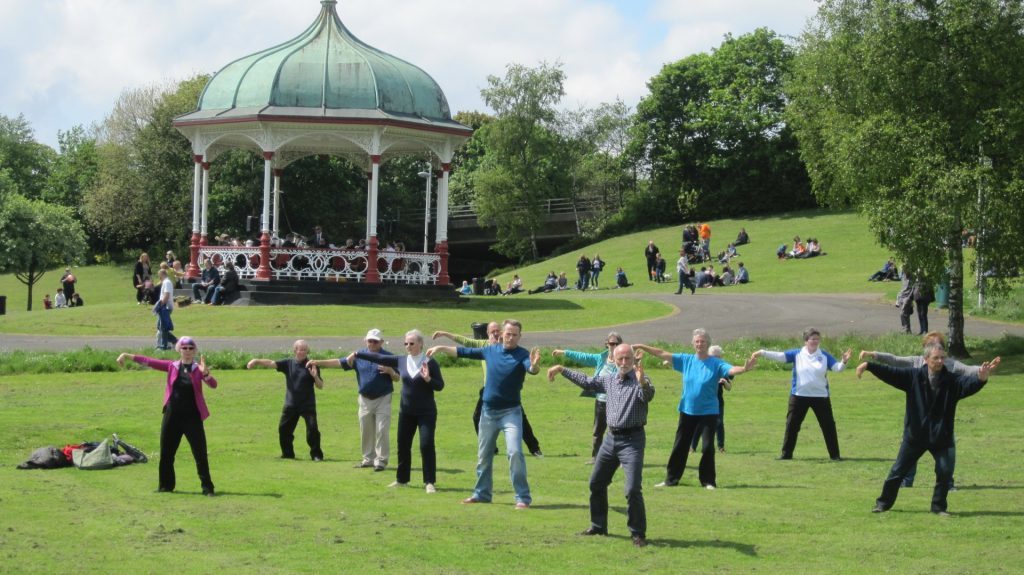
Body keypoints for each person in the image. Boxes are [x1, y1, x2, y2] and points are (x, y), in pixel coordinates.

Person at [856, 345, 999, 515]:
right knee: (897, 472)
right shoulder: (913, 376)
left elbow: (967, 385)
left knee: (945, 472)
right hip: (915, 436)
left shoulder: (951, 381)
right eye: (936, 358)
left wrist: (981, 379)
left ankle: (938, 507)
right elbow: (891, 372)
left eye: (942, 358)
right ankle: (883, 504)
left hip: (941, 437)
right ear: (926, 359)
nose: (940, 361)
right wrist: (869, 366)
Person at [548, 343, 654, 548]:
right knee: (596, 483)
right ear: (614, 360)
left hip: (632, 441)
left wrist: (642, 382)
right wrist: (562, 369)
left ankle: (638, 533)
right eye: (620, 358)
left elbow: (647, 395)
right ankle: (598, 526)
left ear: (634, 359)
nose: (624, 362)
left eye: (628, 358)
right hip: (610, 439)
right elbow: (587, 382)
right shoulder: (609, 379)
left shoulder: (641, 379)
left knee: (632, 489)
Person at [427, 319, 541, 508]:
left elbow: (532, 368)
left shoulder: (522, 355)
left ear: (519, 336)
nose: (510, 337)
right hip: (488, 413)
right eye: (508, 334)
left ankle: (522, 497)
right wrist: (441, 348)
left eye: (514, 335)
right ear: (502, 334)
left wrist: (535, 366)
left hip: (511, 413)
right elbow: (464, 351)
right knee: (483, 456)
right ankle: (482, 494)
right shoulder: (490, 350)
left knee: (514, 452)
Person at [635, 329, 757, 489]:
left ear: (708, 344)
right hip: (687, 410)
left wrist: (744, 368)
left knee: (707, 447)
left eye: (703, 341)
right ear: (693, 344)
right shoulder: (686, 360)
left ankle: (708, 481)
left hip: (708, 412)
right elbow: (661, 353)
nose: (700, 344)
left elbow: (731, 369)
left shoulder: (716, 363)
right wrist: (642, 346)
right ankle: (671, 480)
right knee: (680, 445)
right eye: (697, 341)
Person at [116, 336, 217, 496]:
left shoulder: (199, 369)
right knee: (166, 453)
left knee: (200, 453)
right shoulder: (172, 366)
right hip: (172, 415)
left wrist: (206, 375)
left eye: (191, 348)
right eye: (184, 348)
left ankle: (208, 488)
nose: (188, 351)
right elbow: (149, 361)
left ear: (194, 351)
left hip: (192, 417)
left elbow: (214, 385)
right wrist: (126, 355)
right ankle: (165, 486)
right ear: (179, 350)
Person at [349, 329, 444, 493]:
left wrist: (428, 379)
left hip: (426, 413)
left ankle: (429, 482)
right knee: (403, 445)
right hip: (406, 412)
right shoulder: (401, 360)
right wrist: (358, 354)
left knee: (426, 445)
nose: (408, 346)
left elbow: (440, 386)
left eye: (411, 343)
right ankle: (402, 479)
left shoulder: (429, 363)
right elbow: (379, 358)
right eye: (406, 343)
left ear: (421, 344)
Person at [432, 323, 544, 457]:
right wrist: (443, 343)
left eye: (498, 331)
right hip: (489, 392)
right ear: (488, 333)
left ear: (502, 332)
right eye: (492, 331)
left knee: (521, 420)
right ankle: (491, 448)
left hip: (510, 395)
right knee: (477, 417)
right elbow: (464, 345)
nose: (495, 333)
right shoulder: (486, 347)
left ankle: (534, 448)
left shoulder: (517, 352)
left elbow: (531, 368)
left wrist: (534, 366)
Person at [753, 328, 851, 461]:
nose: (815, 341)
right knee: (792, 425)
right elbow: (780, 356)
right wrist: (762, 352)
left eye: (817, 339)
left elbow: (837, 369)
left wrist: (844, 361)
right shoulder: (797, 354)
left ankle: (835, 456)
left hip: (820, 397)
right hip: (798, 396)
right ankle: (786, 454)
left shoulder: (824, 355)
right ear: (806, 341)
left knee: (828, 426)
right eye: (813, 339)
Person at [308, 329, 397, 471]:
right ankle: (368, 459)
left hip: (383, 398)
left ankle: (381, 461)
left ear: (381, 342)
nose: (372, 343)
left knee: (382, 430)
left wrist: (390, 371)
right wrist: (318, 362)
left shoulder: (389, 357)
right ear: (365, 341)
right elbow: (339, 363)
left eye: (375, 341)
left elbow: (397, 378)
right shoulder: (358, 356)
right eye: (370, 341)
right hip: (365, 399)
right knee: (366, 430)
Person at [246, 340, 325, 461]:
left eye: (305, 350)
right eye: (300, 349)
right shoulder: (288, 363)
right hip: (291, 404)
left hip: (307, 404)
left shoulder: (312, 365)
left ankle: (316, 455)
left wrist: (315, 376)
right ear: (295, 350)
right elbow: (271, 363)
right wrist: (256, 361)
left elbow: (320, 386)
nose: (303, 352)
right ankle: (288, 454)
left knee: (312, 430)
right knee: (283, 430)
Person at [551, 332, 623, 464]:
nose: (614, 346)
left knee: (617, 432)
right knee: (597, 432)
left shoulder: (623, 361)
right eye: (611, 343)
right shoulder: (600, 358)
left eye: (616, 344)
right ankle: (596, 458)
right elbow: (583, 357)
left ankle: (620, 459)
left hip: (617, 402)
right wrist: (564, 352)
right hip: (601, 401)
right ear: (606, 344)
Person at [689, 345, 731, 454]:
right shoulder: (703, 366)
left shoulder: (722, 369)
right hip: (702, 401)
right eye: (713, 356)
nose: (715, 358)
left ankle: (721, 447)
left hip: (717, 402)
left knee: (719, 423)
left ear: (721, 357)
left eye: (718, 356)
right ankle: (692, 447)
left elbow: (729, 388)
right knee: (699, 424)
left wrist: (725, 382)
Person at [154, 268, 177, 350]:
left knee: (163, 328)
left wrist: (161, 305)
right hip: (165, 306)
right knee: (161, 327)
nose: (159, 278)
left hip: (165, 307)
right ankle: (171, 342)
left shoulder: (167, 282)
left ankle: (171, 343)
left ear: (162, 275)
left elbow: (166, 295)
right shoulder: (166, 282)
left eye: (159, 276)